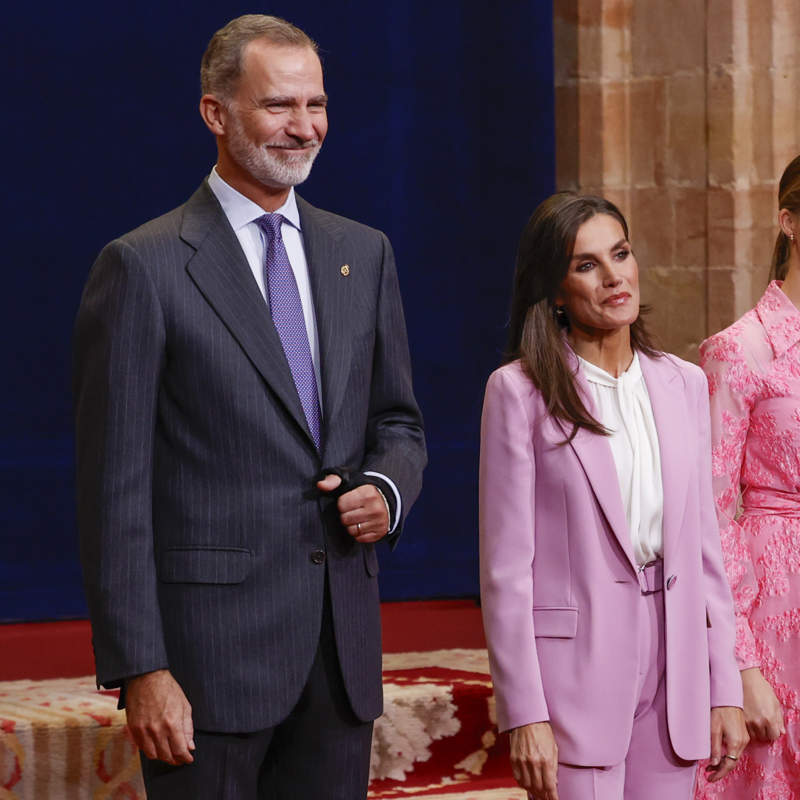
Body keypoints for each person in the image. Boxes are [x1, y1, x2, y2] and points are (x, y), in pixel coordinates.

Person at [72, 14, 426, 800]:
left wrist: (387, 491)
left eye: (317, 105)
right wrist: (141, 669)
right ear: (216, 114)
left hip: (339, 661)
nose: (305, 128)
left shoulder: (362, 254)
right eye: (279, 106)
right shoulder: (143, 267)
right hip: (206, 670)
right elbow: (113, 491)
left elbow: (398, 423)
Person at [479, 192, 748, 800]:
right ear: (553, 289)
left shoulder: (684, 383)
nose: (613, 276)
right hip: (575, 678)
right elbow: (505, 571)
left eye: (620, 254)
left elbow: (705, 554)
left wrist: (722, 686)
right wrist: (525, 711)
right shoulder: (518, 393)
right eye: (586, 265)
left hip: (675, 675)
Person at [695, 155, 800, 799]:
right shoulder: (739, 349)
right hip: (774, 608)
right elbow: (708, 512)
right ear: (789, 222)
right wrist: (739, 665)